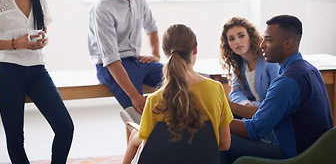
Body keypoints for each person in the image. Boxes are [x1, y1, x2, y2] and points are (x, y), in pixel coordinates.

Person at [0, 0, 74, 164]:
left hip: (37, 70)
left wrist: (41, 42)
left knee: (65, 127)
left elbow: (43, 34)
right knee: (15, 139)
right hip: (7, 72)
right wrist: (15, 44)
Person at [220, 15, 333, 163]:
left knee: (221, 138)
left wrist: (217, 122)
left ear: (287, 43)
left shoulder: (287, 81)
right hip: (318, 149)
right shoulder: (309, 69)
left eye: (268, 40)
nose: (261, 45)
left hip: (296, 154)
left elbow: (254, 130)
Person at [123, 24, 233, 164]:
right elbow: (224, 143)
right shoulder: (216, 89)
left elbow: (149, 153)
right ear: (195, 49)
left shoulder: (154, 100)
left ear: (166, 53)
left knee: (135, 137)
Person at [88, 0, 163, 121]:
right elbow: (111, 59)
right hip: (110, 66)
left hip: (136, 61)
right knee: (141, 118)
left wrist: (155, 55)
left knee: (180, 80)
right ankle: (140, 145)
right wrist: (135, 96)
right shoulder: (102, 8)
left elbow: (151, 27)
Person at [220, 17, 279, 119]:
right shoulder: (238, 64)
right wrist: (247, 106)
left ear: (251, 36)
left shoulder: (270, 60)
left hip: (273, 115)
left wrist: (252, 107)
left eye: (241, 36)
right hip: (253, 114)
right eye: (232, 39)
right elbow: (235, 92)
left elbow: (277, 99)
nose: (237, 42)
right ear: (228, 44)